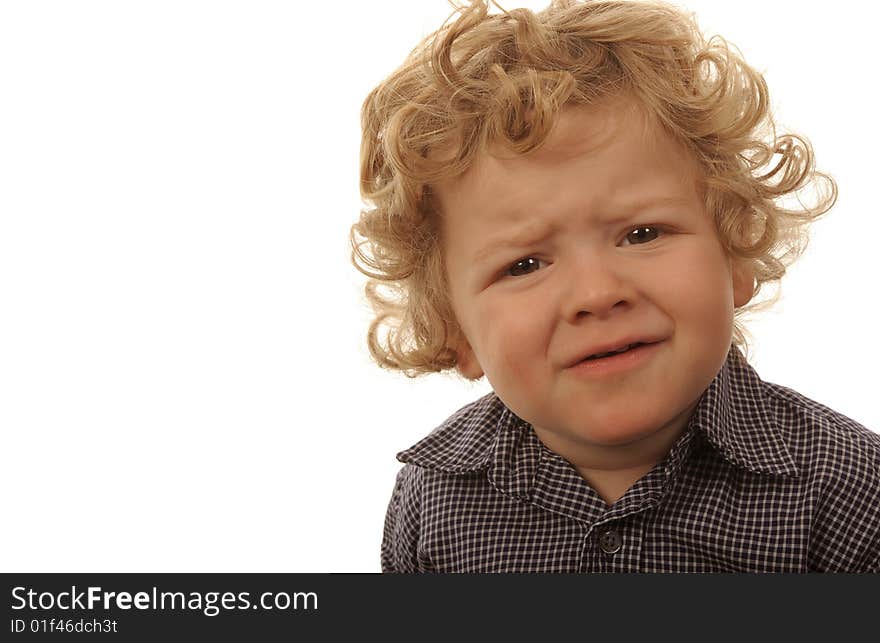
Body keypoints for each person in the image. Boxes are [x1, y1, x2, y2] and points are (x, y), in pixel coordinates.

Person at [350, 0, 880, 572]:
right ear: (455, 330)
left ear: (734, 253)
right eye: (525, 265)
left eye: (642, 233)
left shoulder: (847, 489)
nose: (597, 294)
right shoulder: (433, 501)